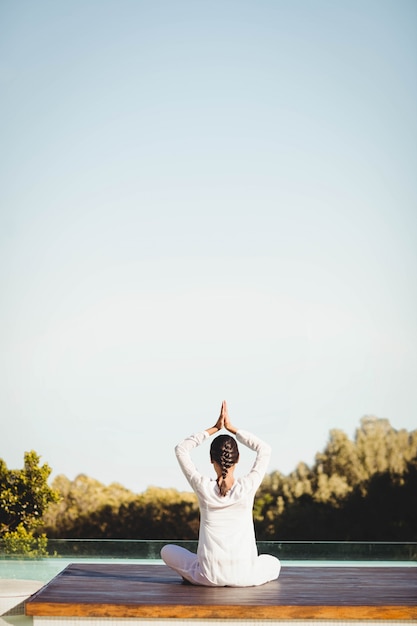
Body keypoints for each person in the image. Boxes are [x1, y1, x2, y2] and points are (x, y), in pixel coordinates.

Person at [161, 400, 281, 587]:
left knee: (167, 551)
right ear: (238, 458)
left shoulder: (203, 487)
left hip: (208, 576)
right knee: (274, 563)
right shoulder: (247, 486)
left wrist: (215, 428)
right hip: (245, 577)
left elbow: (181, 449)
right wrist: (233, 429)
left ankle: (192, 575)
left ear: (211, 460)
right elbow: (264, 449)